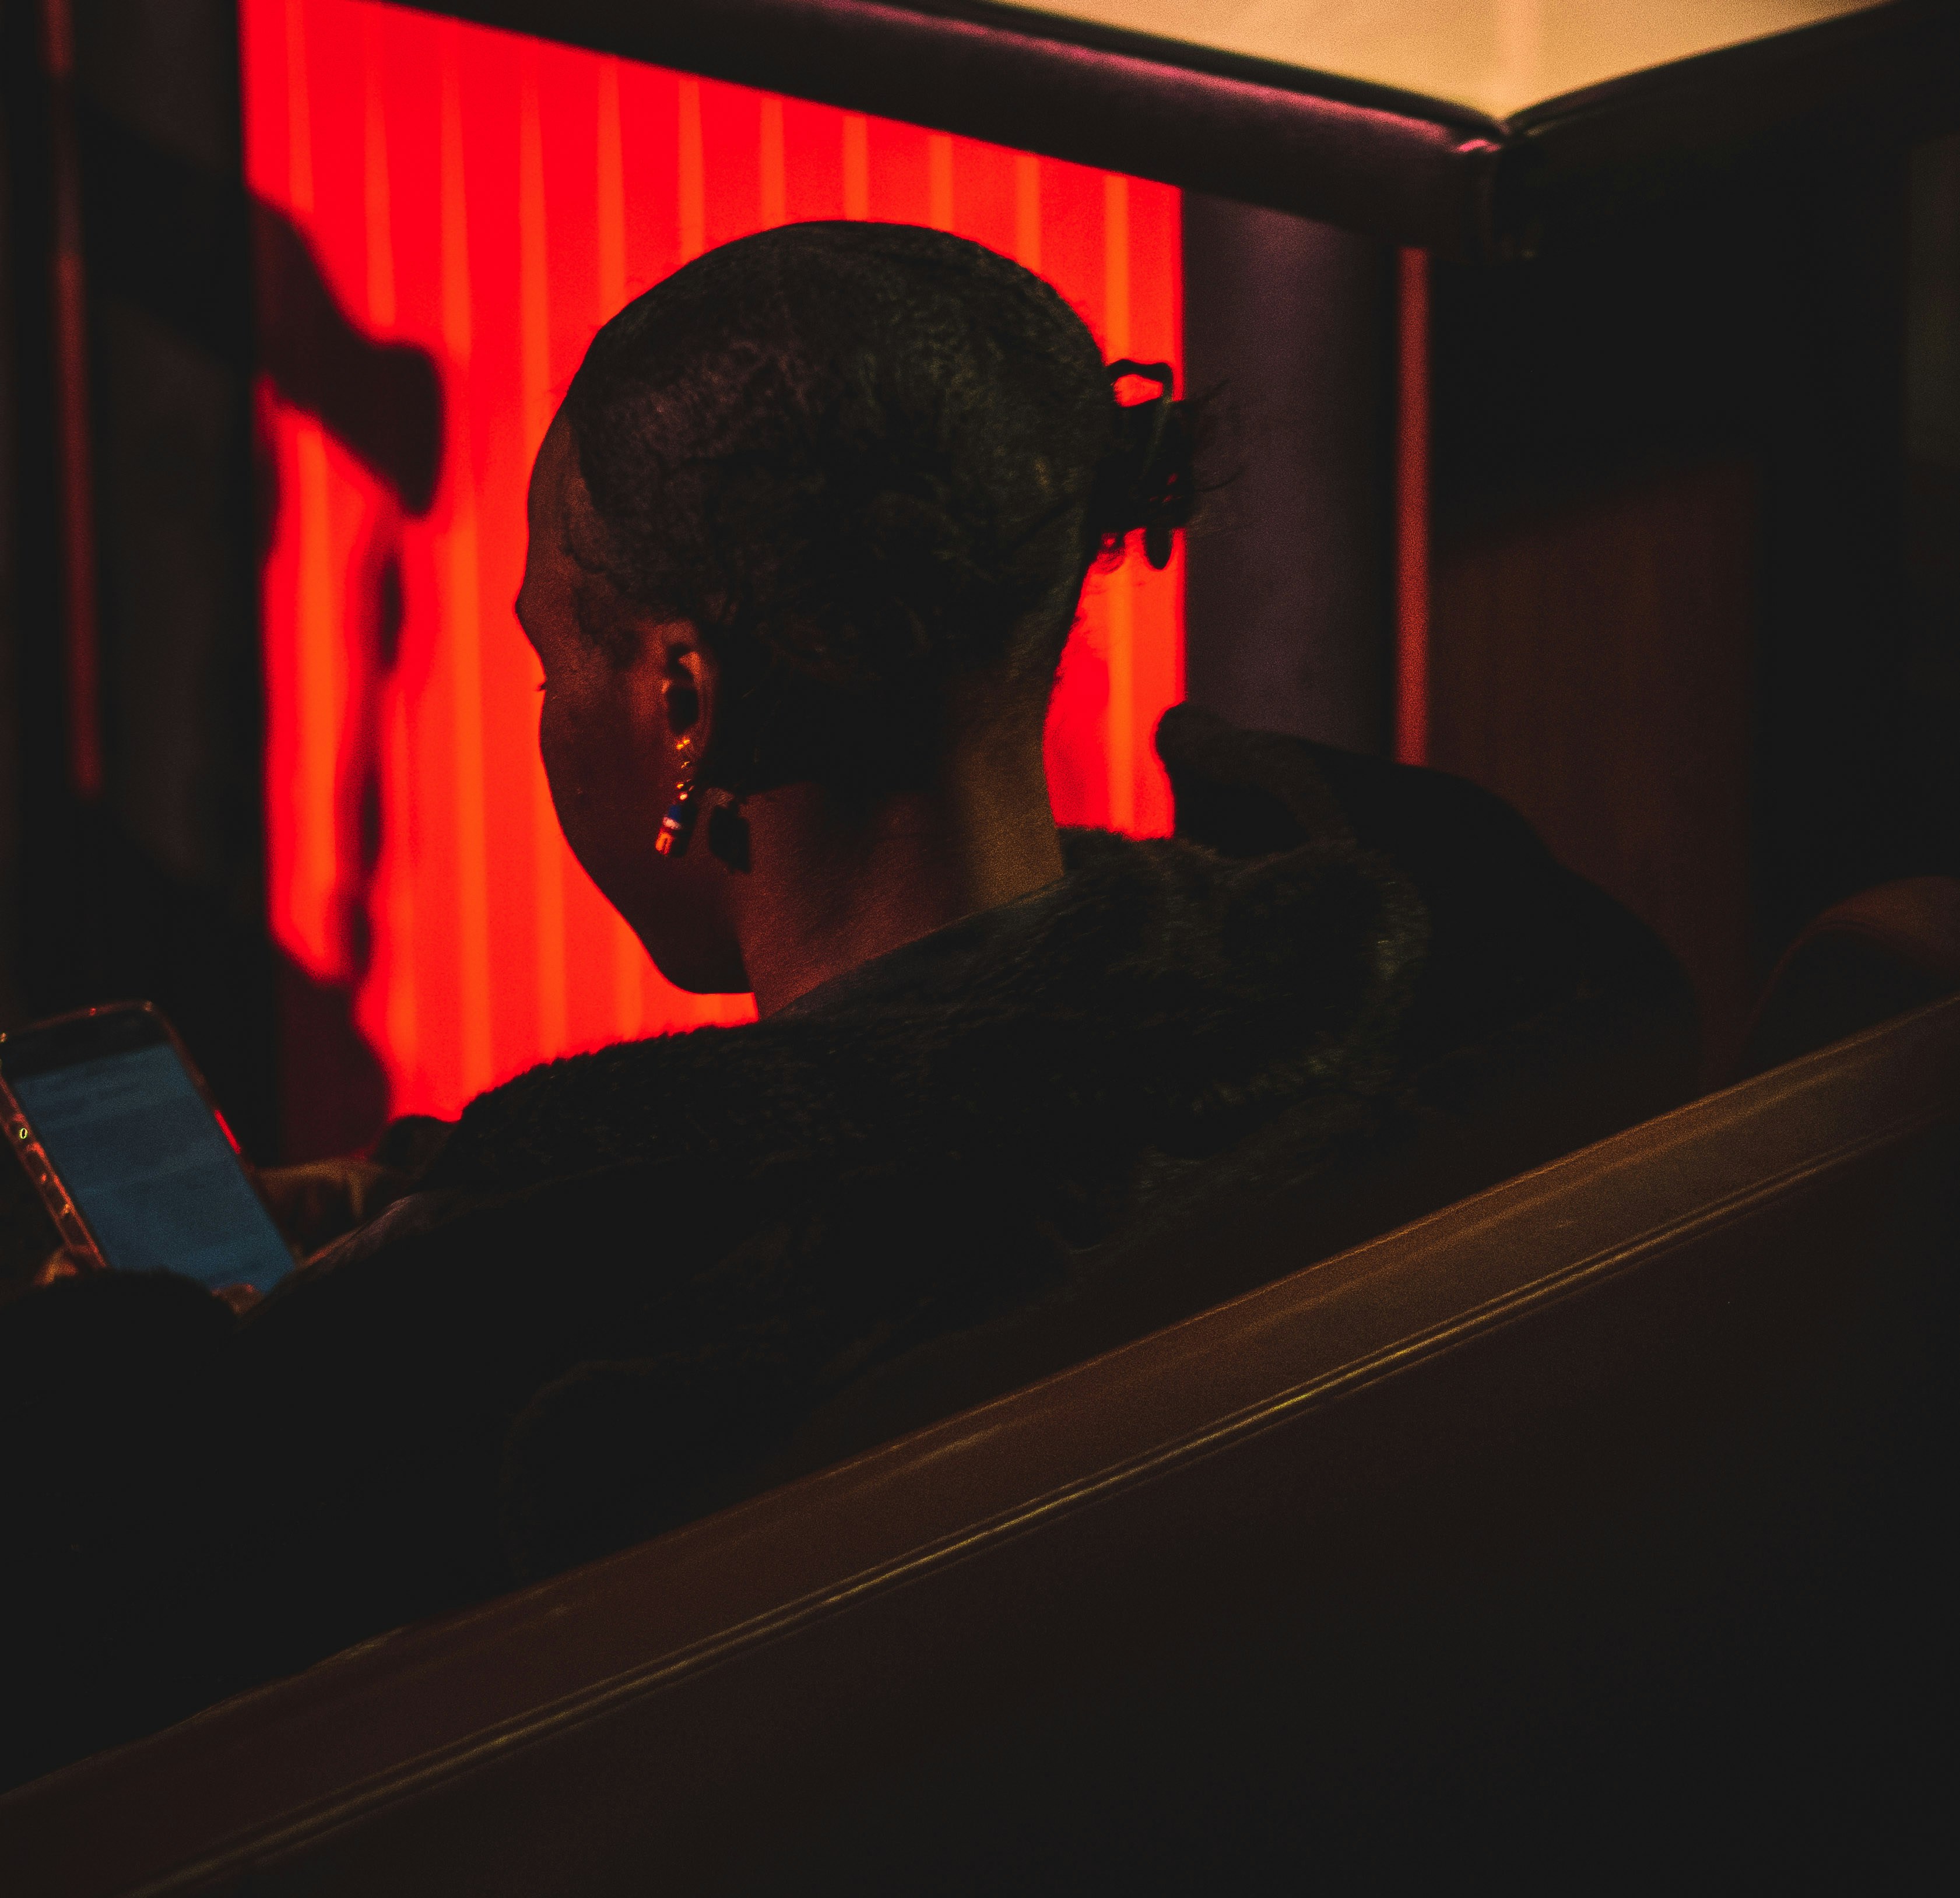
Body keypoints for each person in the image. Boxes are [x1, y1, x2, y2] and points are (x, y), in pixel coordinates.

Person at [1, 223, 1693, 1788]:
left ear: (680, 701)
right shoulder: (1421, 955)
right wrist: (409, 1200)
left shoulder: (500, 1318)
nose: (541, 709)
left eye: (547, 663)